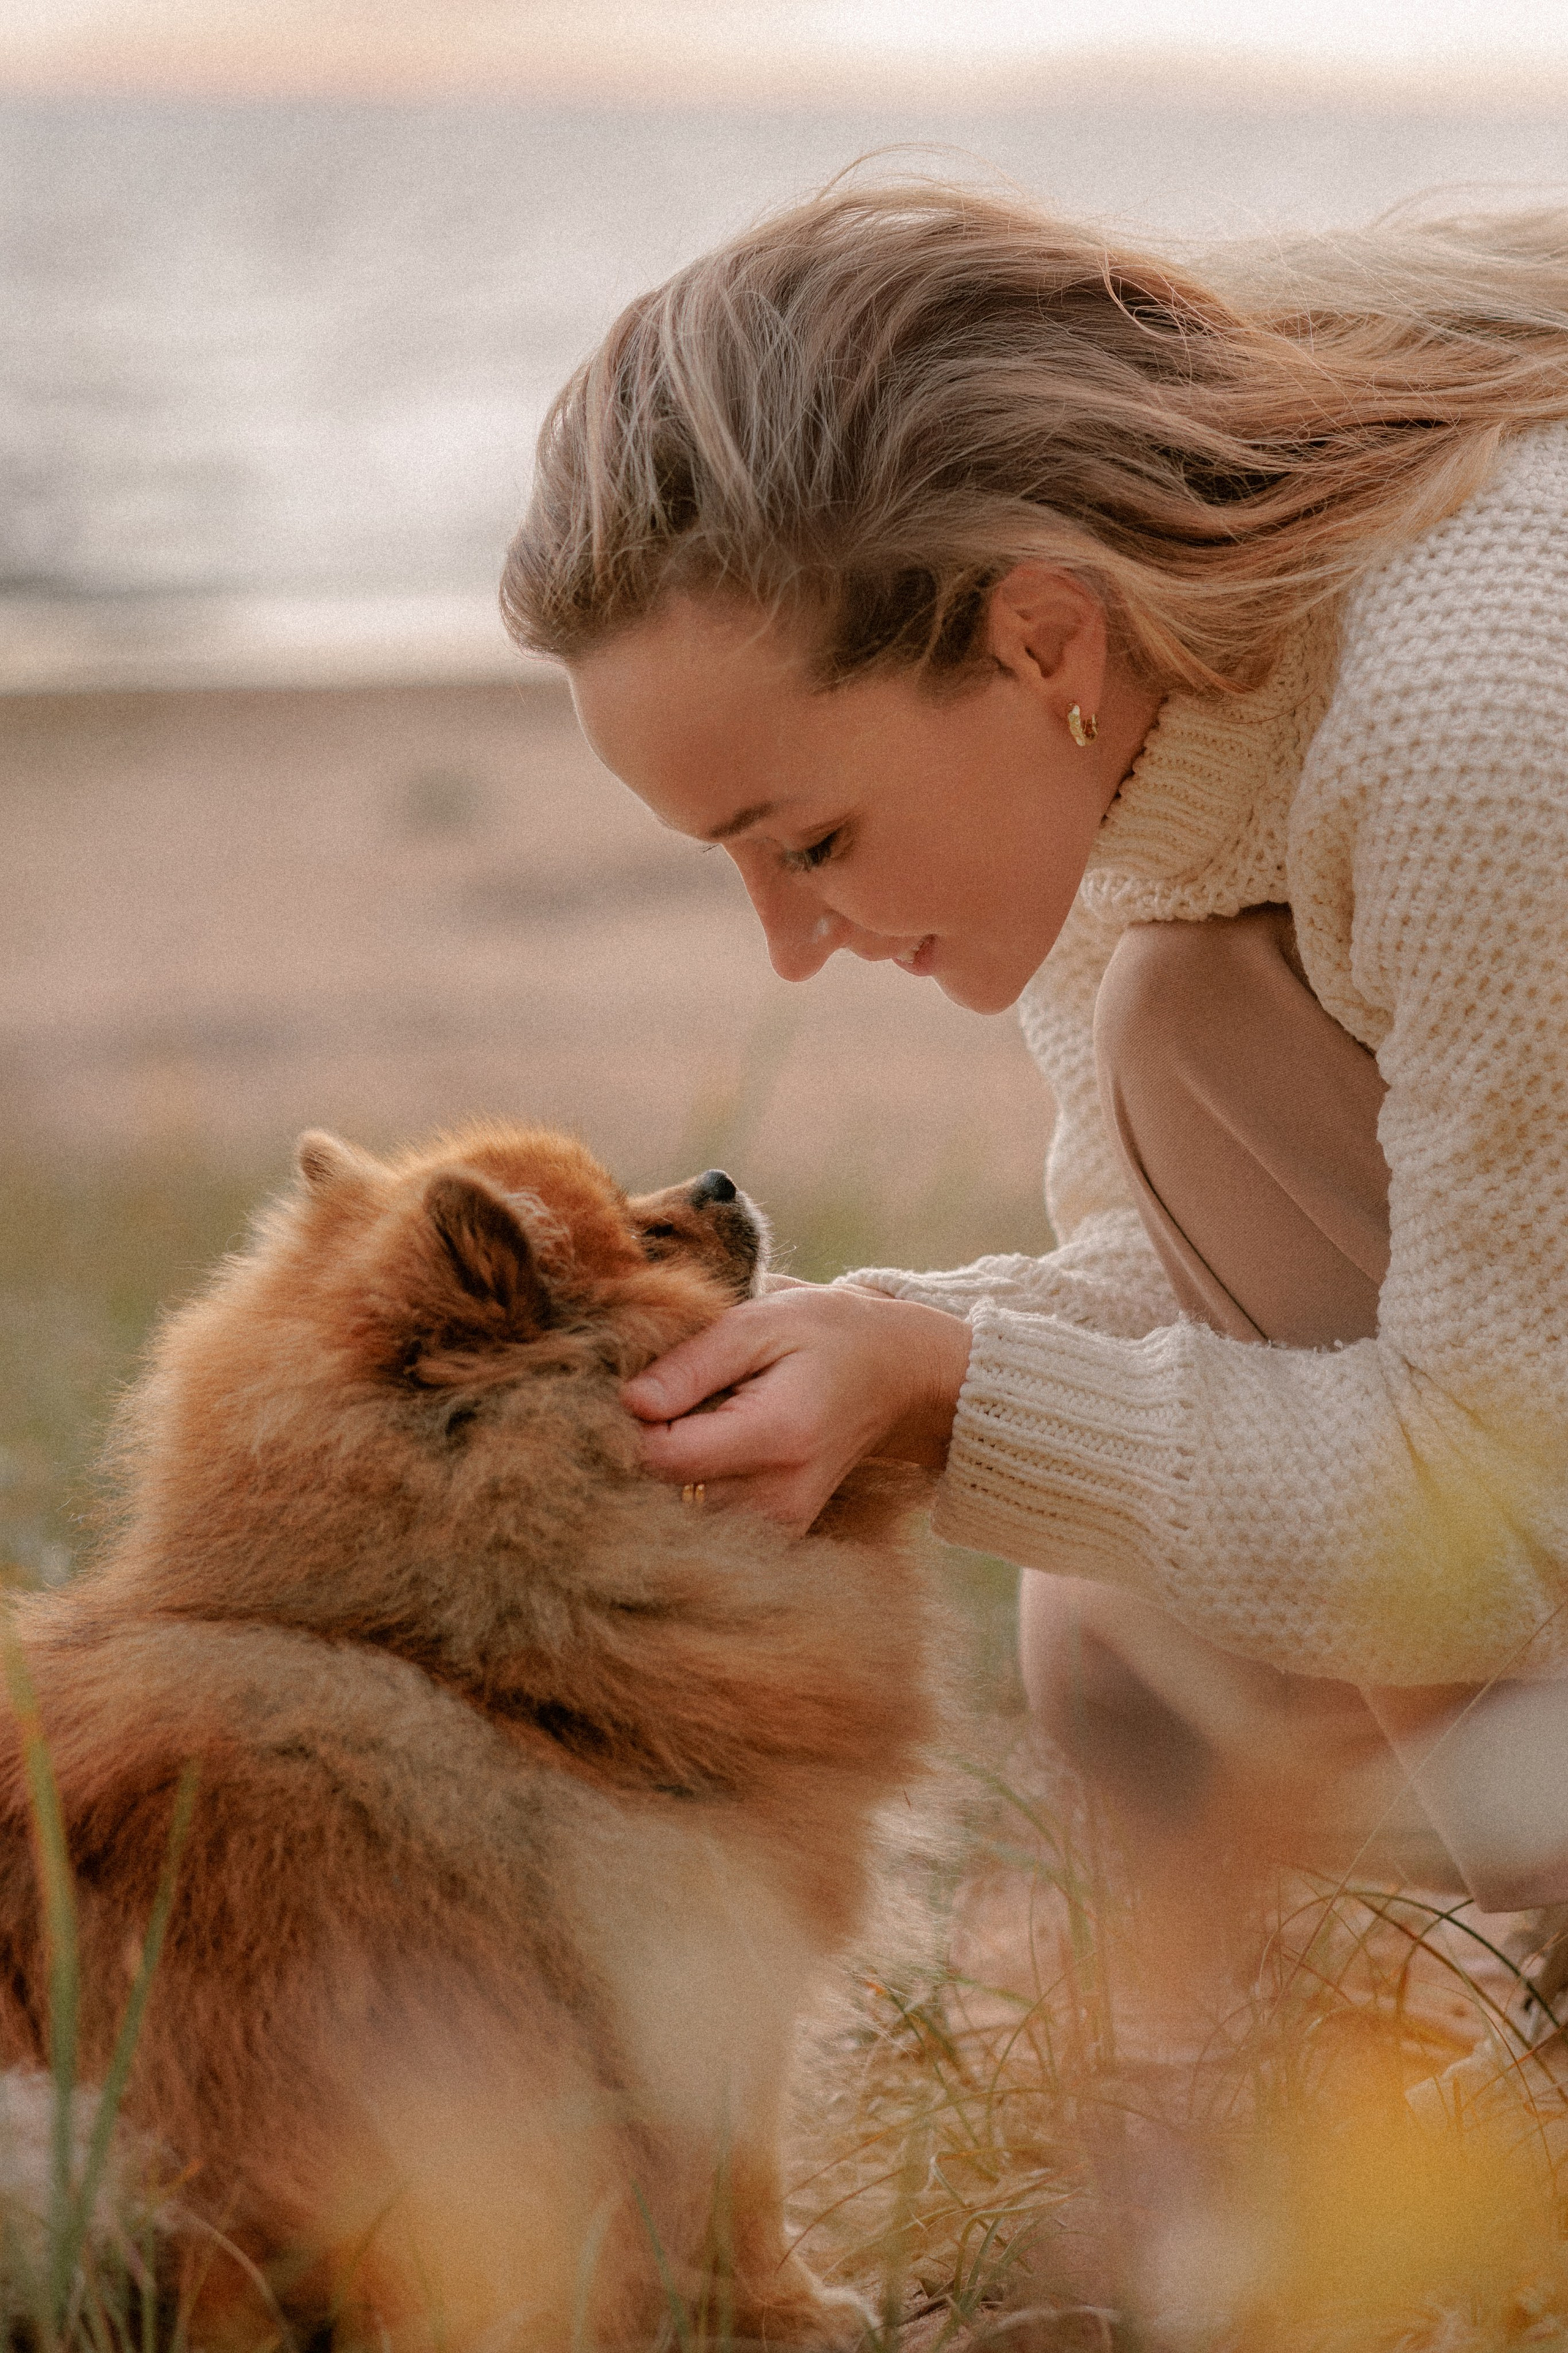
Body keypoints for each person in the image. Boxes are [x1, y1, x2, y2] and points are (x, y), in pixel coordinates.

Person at [500, 179, 1568, 1902]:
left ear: (1039, 636)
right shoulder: (1109, 737)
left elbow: (1508, 1513)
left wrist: (947, 1387)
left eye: (814, 841)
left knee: (1190, 1039)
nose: (791, 948)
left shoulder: (1472, 719)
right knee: (1111, 1648)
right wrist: (861, 1350)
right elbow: (1192, 1274)